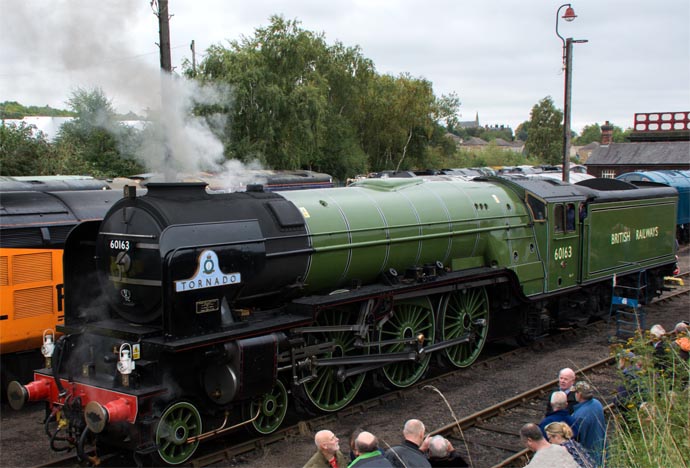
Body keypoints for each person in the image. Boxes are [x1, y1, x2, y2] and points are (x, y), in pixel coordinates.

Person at [571, 381, 606, 467]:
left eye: (575, 392)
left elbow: (578, 440)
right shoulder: (597, 403)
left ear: (579, 394)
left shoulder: (579, 416)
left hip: (589, 454)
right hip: (600, 449)